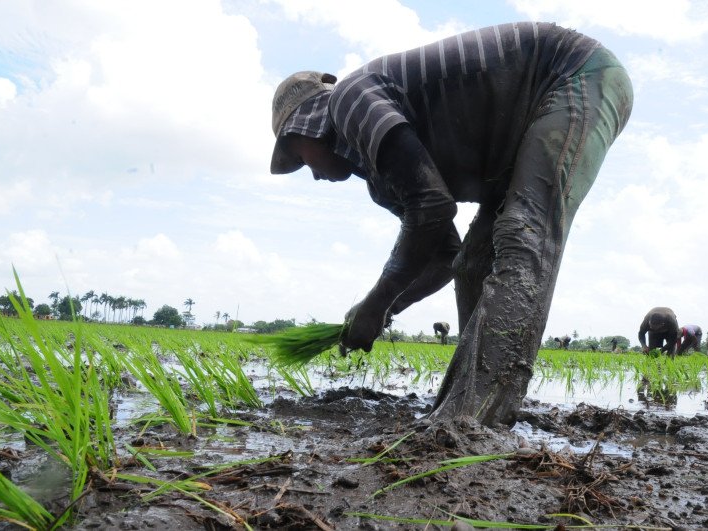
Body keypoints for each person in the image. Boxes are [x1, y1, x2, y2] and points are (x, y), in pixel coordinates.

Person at [269, 22, 633, 426]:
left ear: (306, 124)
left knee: (523, 231)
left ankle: (473, 417)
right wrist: (384, 308)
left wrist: (375, 301)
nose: (310, 173)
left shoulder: (348, 100)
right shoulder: (380, 180)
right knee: (473, 262)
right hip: (517, 137)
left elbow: (432, 207)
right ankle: (467, 407)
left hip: (573, 76)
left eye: (298, 157)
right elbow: (443, 257)